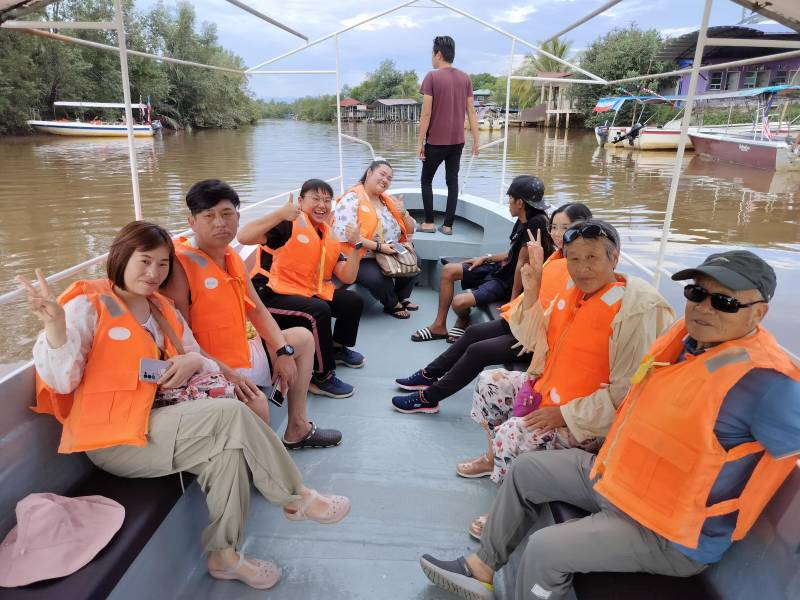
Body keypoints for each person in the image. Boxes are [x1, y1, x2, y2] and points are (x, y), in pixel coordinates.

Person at [419, 249, 800, 600]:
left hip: (668, 531)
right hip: (620, 481)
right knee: (526, 470)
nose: (703, 308)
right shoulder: (687, 342)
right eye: (696, 293)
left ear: (758, 313)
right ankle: (482, 567)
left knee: (545, 550)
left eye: (724, 302)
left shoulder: (766, 384)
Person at [21, 221, 351, 591]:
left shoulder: (163, 309)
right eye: (145, 261)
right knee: (231, 414)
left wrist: (193, 361)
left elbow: (200, 359)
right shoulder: (86, 307)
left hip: (163, 421)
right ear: (121, 258)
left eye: (162, 264)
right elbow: (62, 381)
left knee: (227, 455)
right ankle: (296, 496)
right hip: (114, 440)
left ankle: (224, 556)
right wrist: (55, 328)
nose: (153, 273)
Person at [163, 179, 341, 449]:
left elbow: (257, 310)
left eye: (226, 214)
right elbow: (182, 342)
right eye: (209, 216)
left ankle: (297, 428)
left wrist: (283, 351)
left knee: (302, 339)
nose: (220, 223)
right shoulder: (180, 265)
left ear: (237, 217)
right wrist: (231, 376)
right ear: (192, 221)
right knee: (259, 407)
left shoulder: (231, 257)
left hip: (242, 355)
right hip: (209, 367)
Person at [393, 203, 592, 414]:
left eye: (565, 228)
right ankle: (429, 374)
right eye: (554, 227)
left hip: (542, 341)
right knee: (473, 333)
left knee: (478, 351)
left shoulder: (578, 270)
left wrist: (535, 333)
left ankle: (429, 398)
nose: (557, 234)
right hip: (527, 324)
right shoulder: (558, 256)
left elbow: (567, 316)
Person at [238, 179, 365, 399]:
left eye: (327, 200)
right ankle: (321, 376)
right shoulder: (288, 224)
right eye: (316, 199)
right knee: (318, 310)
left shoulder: (328, 234)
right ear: (300, 201)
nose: (322, 205)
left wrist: (356, 245)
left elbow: (348, 276)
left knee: (352, 302)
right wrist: (279, 214)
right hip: (268, 295)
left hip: (301, 291)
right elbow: (243, 236)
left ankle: (335, 349)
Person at [411, 175, 552, 344]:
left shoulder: (536, 223)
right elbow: (512, 254)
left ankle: (463, 318)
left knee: (458, 303)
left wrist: (513, 302)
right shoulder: (524, 218)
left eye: (510, 198)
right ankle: (439, 326)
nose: (508, 203)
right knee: (449, 270)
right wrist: (485, 259)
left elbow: (522, 264)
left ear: (520, 203)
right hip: (501, 269)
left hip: (507, 283)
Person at [332, 160, 419, 320]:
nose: (385, 180)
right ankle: (392, 304)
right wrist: (380, 247)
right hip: (361, 255)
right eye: (382, 174)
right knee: (376, 278)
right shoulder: (351, 199)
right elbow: (346, 235)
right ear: (369, 173)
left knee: (414, 260)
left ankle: (401, 297)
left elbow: (410, 229)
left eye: (389, 178)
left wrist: (404, 213)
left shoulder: (387, 201)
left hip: (389, 249)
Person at [417, 35, 480, 235]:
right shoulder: (465, 78)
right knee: (452, 182)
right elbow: (472, 112)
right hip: (457, 142)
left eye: (432, 54)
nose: (432, 58)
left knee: (426, 180)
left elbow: (426, 113)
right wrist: (477, 141)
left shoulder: (432, 77)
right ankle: (447, 226)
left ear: (438, 54)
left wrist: (420, 142)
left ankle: (428, 223)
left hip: (436, 142)